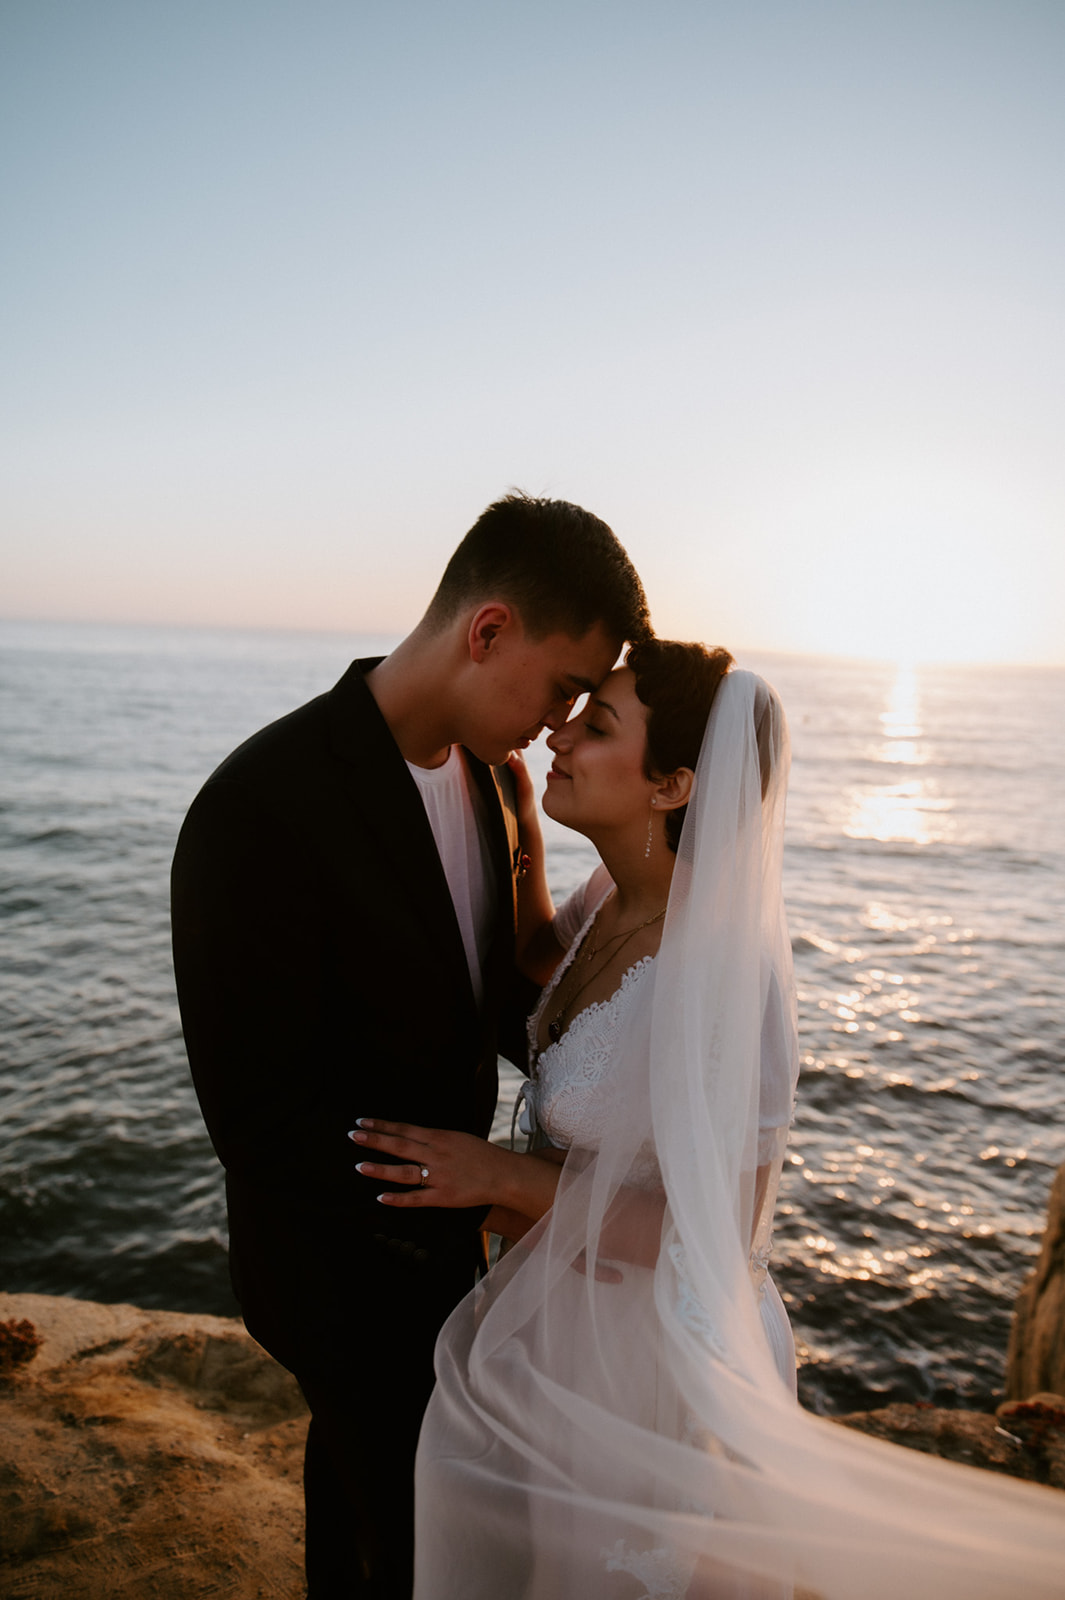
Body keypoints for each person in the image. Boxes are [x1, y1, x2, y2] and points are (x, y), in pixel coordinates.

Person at [351, 643, 1065, 1600]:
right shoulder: (614, 896)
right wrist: (516, 815)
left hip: (647, 1364)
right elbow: (536, 966)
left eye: (596, 726)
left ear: (675, 783)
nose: (558, 731)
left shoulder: (728, 975)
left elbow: (713, 1236)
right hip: (563, 1317)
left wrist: (498, 1177)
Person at [170, 492, 650, 1599]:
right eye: (563, 685)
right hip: (339, 1267)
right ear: (488, 632)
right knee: (428, 1542)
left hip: (455, 1258)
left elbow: (492, 1006)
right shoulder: (260, 805)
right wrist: (458, 1196)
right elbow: (256, 1118)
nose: (561, 721)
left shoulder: (499, 780)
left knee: (368, 1516)